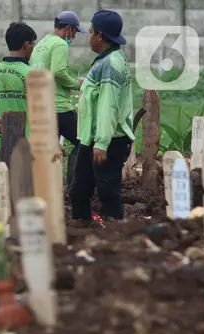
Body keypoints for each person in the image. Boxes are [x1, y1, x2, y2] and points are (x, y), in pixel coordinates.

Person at [69, 10, 135, 222]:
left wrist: (102, 143)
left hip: (108, 139)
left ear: (99, 36)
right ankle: (82, 230)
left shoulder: (110, 64)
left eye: (90, 32)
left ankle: (116, 234)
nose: (88, 35)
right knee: (79, 190)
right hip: (92, 138)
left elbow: (108, 106)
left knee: (107, 191)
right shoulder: (105, 60)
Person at [29, 11, 86, 188]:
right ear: (68, 29)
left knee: (48, 149)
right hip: (59, 106)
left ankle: (47, 188)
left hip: (41, 106)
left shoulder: (42, 44)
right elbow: (59, 71)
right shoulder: (60, 44)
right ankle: (74, 185)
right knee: (82, 141)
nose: (74, 36)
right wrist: (77, 84)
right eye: (75, 32)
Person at [0, 22, 37, 160]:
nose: (33, 48)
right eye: (33, 44)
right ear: (26, 45)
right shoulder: (32, 75)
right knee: (22, 181)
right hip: (25, 143)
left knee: (0, 181)